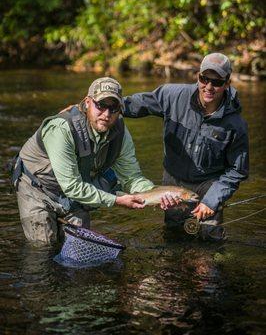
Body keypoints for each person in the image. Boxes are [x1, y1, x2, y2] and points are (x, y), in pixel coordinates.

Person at [14, 77, 176, 245]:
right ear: (88, 102)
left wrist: (156, 194)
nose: (106, 114)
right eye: (101, 105)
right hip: (37, 188)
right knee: (43, 248)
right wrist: (116, 200)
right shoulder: (62, 129)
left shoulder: (120, 133)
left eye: (113, 108)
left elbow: (131, 178)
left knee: (78, 244)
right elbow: (71, 186)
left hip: (76, 191)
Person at [123, 53, 249, 241]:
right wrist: (89, 106)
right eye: (204, 79)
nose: (208, 87)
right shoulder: (172, 96)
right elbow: (132, 105)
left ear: (227, 83)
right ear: (197, 76)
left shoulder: (235, 124)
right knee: (173, 236)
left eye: (216, 82)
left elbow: (237, 171)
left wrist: (212, 200)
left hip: (209, 184)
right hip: (173, 180)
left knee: (209, 241)